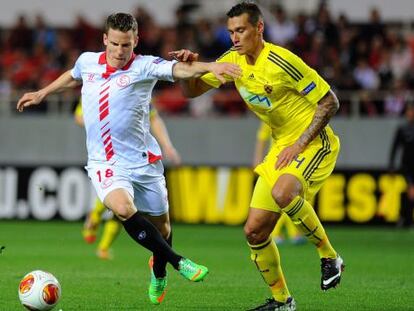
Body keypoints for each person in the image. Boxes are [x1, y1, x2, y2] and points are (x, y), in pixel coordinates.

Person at [17, 12, 241, 306]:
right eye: (115, 45)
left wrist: (211, 66)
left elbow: (180, 71)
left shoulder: (145, 65)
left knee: (163, 229)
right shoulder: (87, 62)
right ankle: (178, 262)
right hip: (105, 163)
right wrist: (43, 92)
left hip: (144, 162)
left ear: (136, 40)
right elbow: (73, 76)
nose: (120, 52)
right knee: (123, 208)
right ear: (105, 40)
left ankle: (158, 268)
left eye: (126, 45)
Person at [173, 3, 344, 310]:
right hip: (281, 148)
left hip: (314, 143)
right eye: (230, 32)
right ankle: (282, 302)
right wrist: (190, 70)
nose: (234, 38)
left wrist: (300, 143)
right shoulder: (232, 61)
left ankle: (330, 256)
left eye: (241, 30)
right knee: (254, 231)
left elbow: (330, 101)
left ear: (259, 28)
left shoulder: (281, 61)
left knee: (282, 192)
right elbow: (190, 92)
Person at [75, 101, 182, 260]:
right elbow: (79, 116)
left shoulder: (138, 90)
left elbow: (154, 118)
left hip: (137, 160)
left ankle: (102, 243)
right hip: (109, 158)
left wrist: (168, 146)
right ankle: (95, 217)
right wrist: (103, 123)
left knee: (126, 210)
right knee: (119, 204)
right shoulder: (97, 87)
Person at [253, 121, 306, 245]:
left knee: (291, 197)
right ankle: (277, 233)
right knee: (280, 197)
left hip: (296, 160)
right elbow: (262, 136)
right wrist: (257, 158)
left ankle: (293, 233)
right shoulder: (273, 111)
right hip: (277, 160)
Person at [389, 103, 414, 228]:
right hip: (406, 167)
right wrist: (392, 165)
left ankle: (403, 217)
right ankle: (408, 221)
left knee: (407, 194)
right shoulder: (403, 129)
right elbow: (395, 148)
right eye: (409, 111)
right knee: (411, 192)